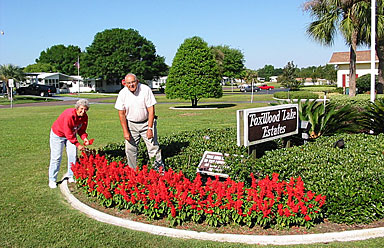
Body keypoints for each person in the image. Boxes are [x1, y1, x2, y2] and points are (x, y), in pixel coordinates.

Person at [115, 73, 164, 170]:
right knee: (130, 149)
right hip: (131, 124)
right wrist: (125, 131)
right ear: (125, 84)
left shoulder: (145, 90)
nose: (131, 85)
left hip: (146, 122)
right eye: (128, 83)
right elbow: (121, 113)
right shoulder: (122, 93)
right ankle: (132, 172)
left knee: (153, 148)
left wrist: (150, 128)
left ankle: (159, 172)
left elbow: (151, 110)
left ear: (137, 81)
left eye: (133, 82)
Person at [48, 99, 91, 188]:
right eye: (81, 109)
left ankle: (71, 175)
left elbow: (82, 130)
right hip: (58, 135)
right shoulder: (69, 115)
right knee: (56, 157)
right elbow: (68, 133)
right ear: (77, 107)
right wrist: (78, 144)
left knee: (73, 155)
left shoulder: (84, 117)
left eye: (85, 109)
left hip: (71, 135)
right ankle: (52, 179)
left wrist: (85, 138)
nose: (83, 112)